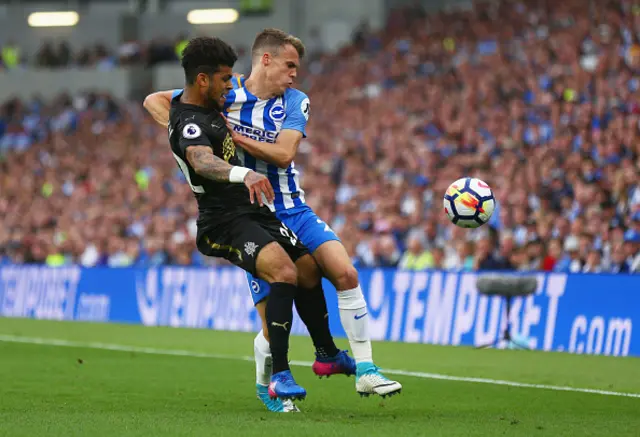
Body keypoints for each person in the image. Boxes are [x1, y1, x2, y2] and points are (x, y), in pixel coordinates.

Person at [145, 28, 401, 399]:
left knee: (343, 271)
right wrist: (194, 132)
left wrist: (231, 134)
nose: (294, 74)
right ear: (266, 60)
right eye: (290, 65)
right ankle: (267, 387)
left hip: (292, 207)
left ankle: (365, 369)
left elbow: (283, 154)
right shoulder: (226, 91)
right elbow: (155, 101)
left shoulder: (295, 101)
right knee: (271, 321)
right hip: (248, 212)